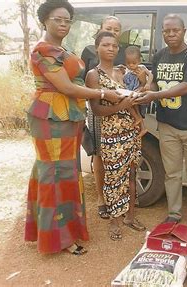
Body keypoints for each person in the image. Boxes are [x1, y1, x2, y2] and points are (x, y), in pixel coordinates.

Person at [25, 0, 123, 255]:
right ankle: (58, 239)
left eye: (67, 20)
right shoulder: (43, 50)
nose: (63, 24)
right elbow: (66, 87)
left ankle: (58, 231)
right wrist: (103, 92)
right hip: (50, 119)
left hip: (68, 117)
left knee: (64, 173)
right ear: (44, 20)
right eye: (58, 19)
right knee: (54, 176)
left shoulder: (61, 48)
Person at [135, 14, 187, 232]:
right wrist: (146, 90)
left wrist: (153, 96)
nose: (170, 34)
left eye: (174, 30)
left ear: (183, 31)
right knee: (172, 173)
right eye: (166, 31)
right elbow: (156, 85)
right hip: (167, 124)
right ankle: (174, 213)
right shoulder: (159, 56)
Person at [86, 31, 146, 241]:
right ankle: (114, 221)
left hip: (131, 130)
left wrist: (138, 93)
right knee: (113, 178)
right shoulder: (94, 75)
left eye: (114, 45)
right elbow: (97, 110)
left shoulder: (123, 72)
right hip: (111, 133)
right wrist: (123, 105)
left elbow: (141, 87)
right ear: (97, 48)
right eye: (106, 45)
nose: (111, 48)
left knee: (131, 175)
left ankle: (130, 217)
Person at [80, 16, 125, 220]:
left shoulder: (120, 53)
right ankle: (101, 198)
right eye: (109, 28)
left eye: (117, 30)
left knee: (119, 156)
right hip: (98, 110)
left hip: (119, 112)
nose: (113, 33)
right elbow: (83, 83)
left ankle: (118, 197)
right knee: (99, 154)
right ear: (100, 30)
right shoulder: (89, 52)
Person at [123, 45, 152, 136]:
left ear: (139, 61)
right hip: (130, 92)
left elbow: (150, 75)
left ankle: (138, 119)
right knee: (130, 103)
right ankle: (141, 124)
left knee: (131, 102)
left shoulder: (142, 68)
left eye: (134, 63)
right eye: (128, 63)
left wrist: (148, 84)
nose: (131, 65)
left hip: (139, 90)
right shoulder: (126, 70)